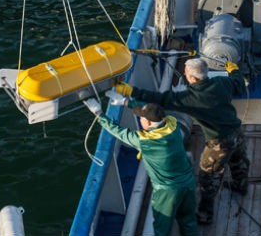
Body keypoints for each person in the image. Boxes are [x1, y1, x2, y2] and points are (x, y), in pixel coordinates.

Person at [113, 58, 250, 225]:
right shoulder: (222, 82)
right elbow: (238, 83)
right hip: (237, 133)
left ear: (192, 78)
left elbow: (160, 98)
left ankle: (205, 215)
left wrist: (131, 92)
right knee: (239, 161)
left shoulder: (189, 98)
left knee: (208, 178)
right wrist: (234, 69)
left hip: (219, 144)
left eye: (186, 72)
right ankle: (241, 186)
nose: (184, 74)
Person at [83, 92, 198, 236]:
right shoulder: (172, 125)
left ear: (148, 123)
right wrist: (125, 102)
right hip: (188, 182)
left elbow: (118, 131)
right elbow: (150, 111)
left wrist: (98, 113)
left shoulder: (145, 142)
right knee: (188, 220)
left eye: (141, 118)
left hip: (167, 192)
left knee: (162, 227)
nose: (139, 120)